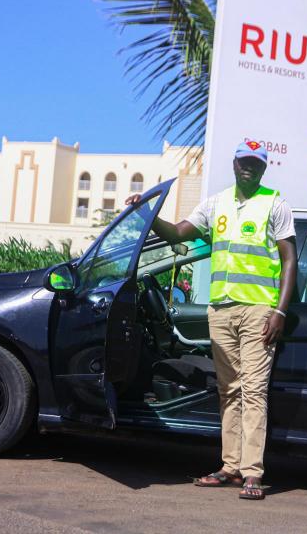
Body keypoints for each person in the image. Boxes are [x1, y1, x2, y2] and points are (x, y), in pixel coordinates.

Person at [125, 140, 296, 500]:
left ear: (264, 168)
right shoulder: (215, 204)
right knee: (229, 390)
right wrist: (147, 215)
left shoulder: (275, 204)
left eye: (256, 163)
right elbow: (177, 234)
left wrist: (280, 310)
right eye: (243, 162)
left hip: (258, 312)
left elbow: (289, 259)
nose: (249, 167)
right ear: (234, 165)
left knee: (254, 391)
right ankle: (229, 467)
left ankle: (252, 472)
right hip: (220, 310)